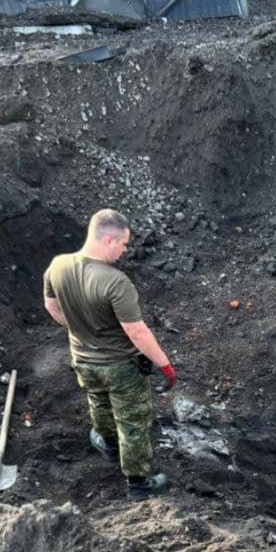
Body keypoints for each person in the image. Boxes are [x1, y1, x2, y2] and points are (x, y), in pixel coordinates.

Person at [43, 209, 177, 500]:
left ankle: (106, 442)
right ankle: (139, 482)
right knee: (133, 422)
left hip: (82, 360)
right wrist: (164, 364)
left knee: (99, 402)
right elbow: (137, 332)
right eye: (124, 244)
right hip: (119, 367)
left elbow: (52, 306)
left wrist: (79, 327)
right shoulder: (116, 282)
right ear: (108, 241)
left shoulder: (58, 266)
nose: (125, 250)